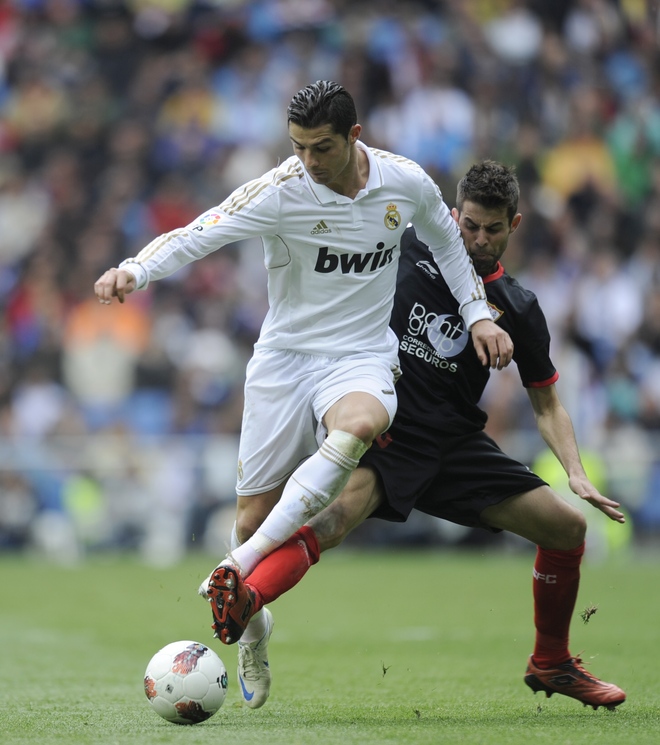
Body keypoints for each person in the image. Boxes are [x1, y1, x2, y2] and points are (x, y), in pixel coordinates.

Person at [93, 81, 512, 684]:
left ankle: (238, 565)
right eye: (298, 147)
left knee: (362, 423)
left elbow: (447, 241)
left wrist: (477, 314)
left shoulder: (406, 183)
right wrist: (136, 268)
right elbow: (198, 231)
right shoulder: (281, 191)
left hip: (362, 355)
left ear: (354, 137)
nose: (308, 161)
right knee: (251, 516)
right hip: (284, 360)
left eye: (321, 148)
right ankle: (253, 633)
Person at [208, 161, 627, 712]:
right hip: (389, 428)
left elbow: (547, 402)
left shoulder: (519, 308)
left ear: (515, 225)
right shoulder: (404, 246)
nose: (478, 240)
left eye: (492, 230)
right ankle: (247, 601)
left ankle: (551, 662)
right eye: (469, 225)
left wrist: (575, 471)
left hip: (454, 444)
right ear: (453, 214)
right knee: (331, 522)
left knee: (567, 528)